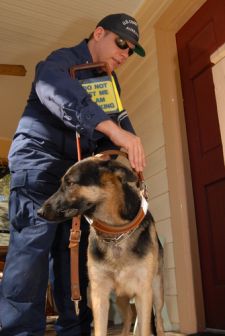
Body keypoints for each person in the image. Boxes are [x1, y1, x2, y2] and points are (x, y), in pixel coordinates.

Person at [0, 13, 146, 336]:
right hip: (38, 167)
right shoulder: (60, 61)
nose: (124, 54)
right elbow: (55, 89)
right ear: (98, 34)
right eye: (121, 43)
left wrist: (130, 147)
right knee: (31, 258)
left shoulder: (108, 82)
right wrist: (113, 130)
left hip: (77, 177)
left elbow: (118, 124)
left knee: (74, 259)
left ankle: (76, 330)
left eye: (130, 50)